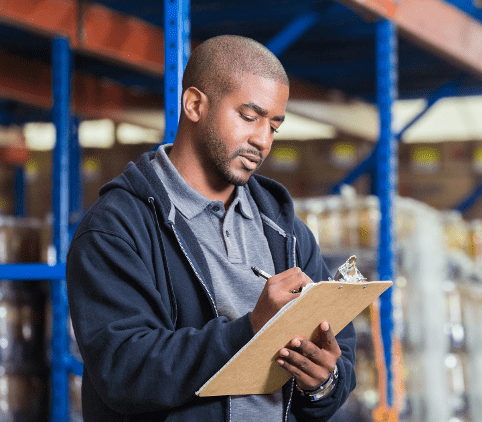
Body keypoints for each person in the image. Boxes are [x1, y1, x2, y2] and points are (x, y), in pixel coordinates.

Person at [66, 35, 356, 421]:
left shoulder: (286, 232)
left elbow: (341, 355)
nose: (262, 140)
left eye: (274, 126)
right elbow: (123, 370)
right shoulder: (116, 228)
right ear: (194, 104)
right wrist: (251, 330)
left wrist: (322, 383)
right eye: (249, 117)